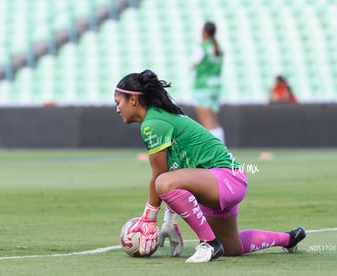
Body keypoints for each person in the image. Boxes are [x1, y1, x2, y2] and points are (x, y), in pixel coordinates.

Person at [114, 69, 306, 263]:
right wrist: (169, 221)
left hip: (223, 178)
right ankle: (289, 238)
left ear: (133, 100)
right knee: (232, 247)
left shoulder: (152, 123)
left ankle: (209, 243)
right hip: (222, 181)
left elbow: (160, 175)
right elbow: (177, 172)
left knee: (162, 182)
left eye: (118, 102)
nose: (117, 109)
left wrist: (148, 219)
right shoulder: (159, 117)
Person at [191, 21, 226, 143]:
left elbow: (193, 65)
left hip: (203, 87)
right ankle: (222, 151)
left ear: (204, 32)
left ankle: (216, 154)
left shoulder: (201, 47)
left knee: (206, 124)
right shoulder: (218, 48)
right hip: (216, 86)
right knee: (214, 123)